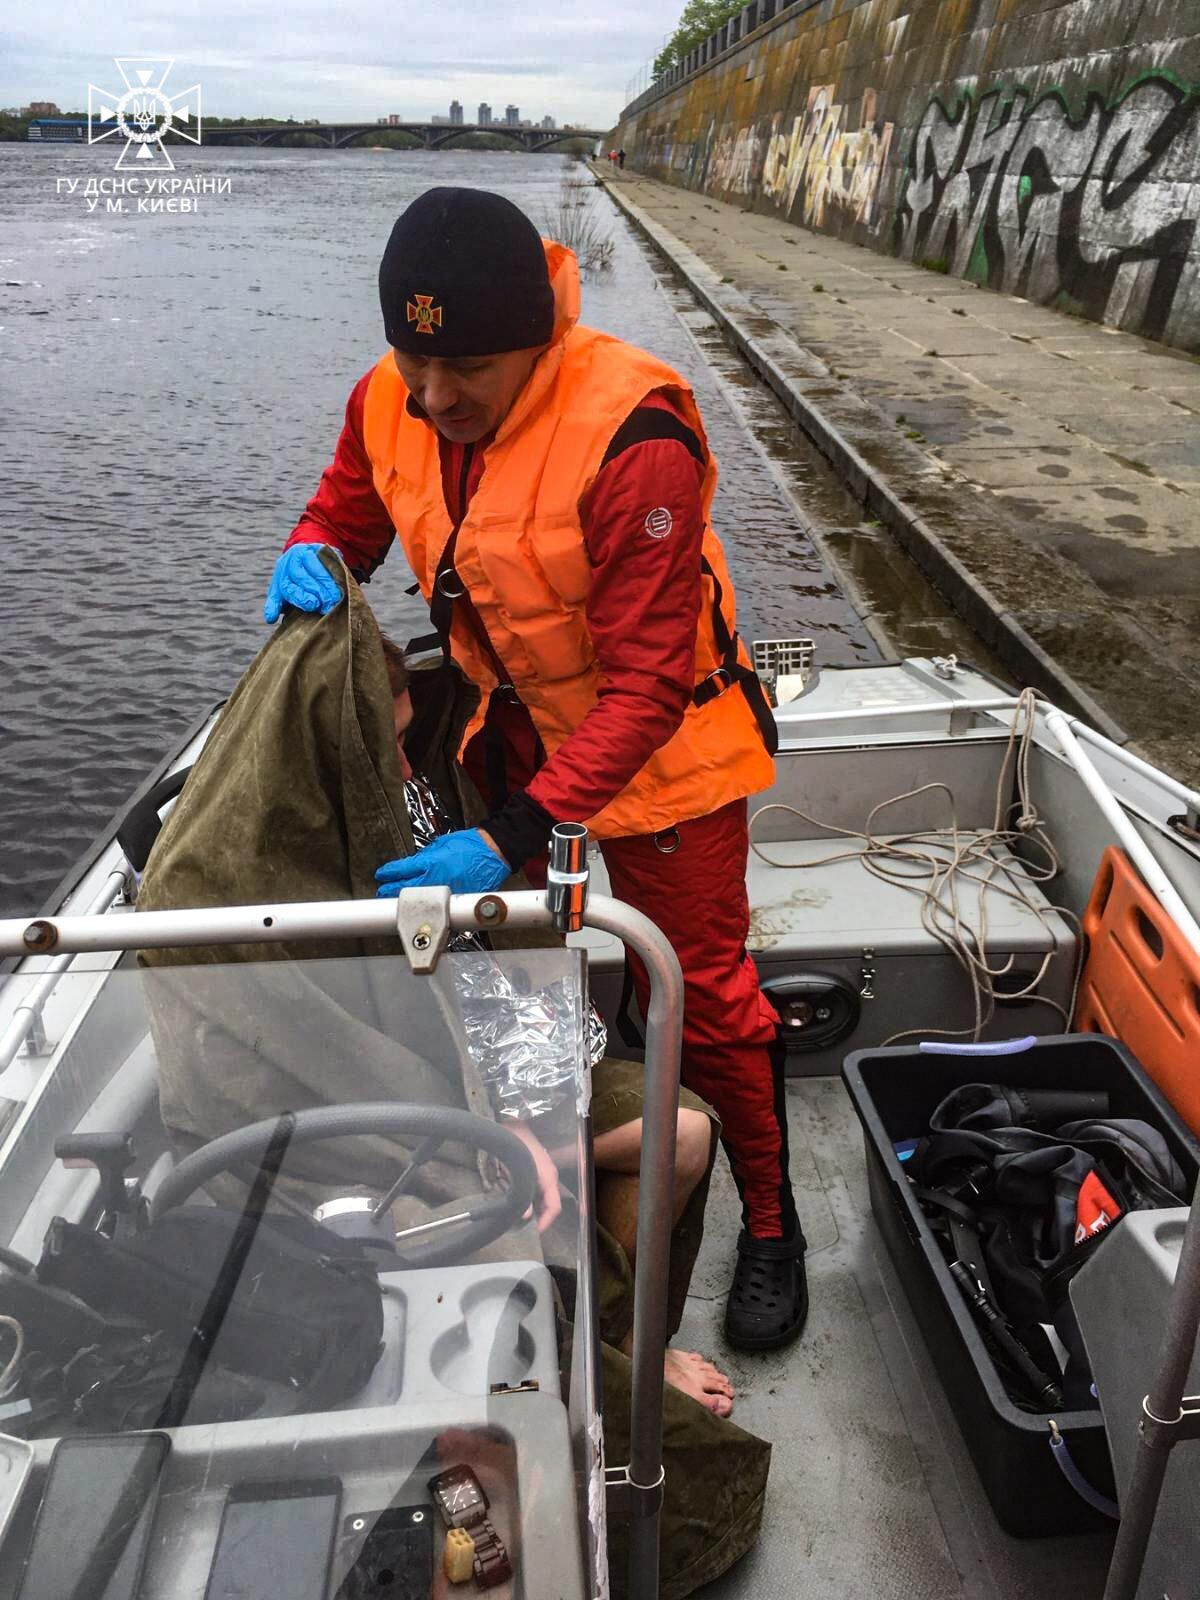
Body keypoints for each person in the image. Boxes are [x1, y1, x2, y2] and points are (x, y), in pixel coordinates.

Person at [262, 186, 807, 1350]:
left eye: (467, 368)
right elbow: (343, 520)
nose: (434, 394)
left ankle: (772, 1214)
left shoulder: (633, 437)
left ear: (541, 340)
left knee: (702, 998)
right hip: (508, 727)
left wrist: (511, 832)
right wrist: (310, 555)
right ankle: (548, 1170)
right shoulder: (391, 398)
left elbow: (650, 687)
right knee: (514, 980)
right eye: (414, 358)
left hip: (665, 755)